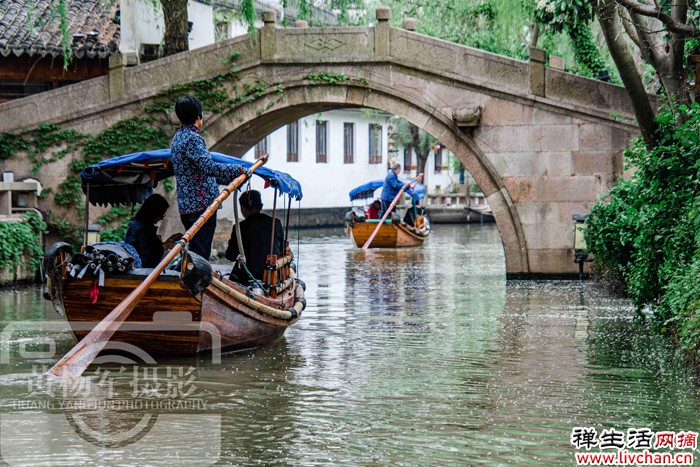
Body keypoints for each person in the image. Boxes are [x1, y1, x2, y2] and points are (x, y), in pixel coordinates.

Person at [170, 95, 248, 260]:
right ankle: (196, 283)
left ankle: (192, 278)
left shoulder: (177, 138)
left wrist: (232, 177)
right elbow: (209, 167)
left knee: (196, 248)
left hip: (187, 206)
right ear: (199, 116)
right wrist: (239, 169)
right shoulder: (193, 138)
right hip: (201, 205)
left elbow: (198, 172)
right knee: (200, 252)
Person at [225, 190, 284, 284]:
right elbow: (282, 250)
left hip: (247, 278)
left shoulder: (240, 227)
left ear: (243, 208)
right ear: (261, 206)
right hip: (272, 277)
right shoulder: (275, 223)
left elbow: (230, 255)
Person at [124, 194, 181, 268]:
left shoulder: (138, 225)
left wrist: (167, 242)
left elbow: (151, 248)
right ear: (154, 213)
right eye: (162, 214)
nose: (161, 218)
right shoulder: (142, 228)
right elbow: (149, 255)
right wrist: (165, 245)